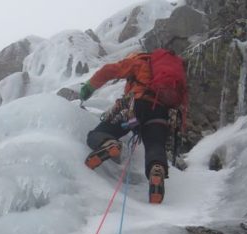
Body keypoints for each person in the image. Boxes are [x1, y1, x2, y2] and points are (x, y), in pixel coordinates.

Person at [79, 49, 187, 204]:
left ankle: (108, 143)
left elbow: (110, 70)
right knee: (155, 145)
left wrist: (88, 88)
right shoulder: (170, 76)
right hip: (161, 114)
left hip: (136, 109)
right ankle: (157, 170)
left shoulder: (139, 62)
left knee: (99, 133)